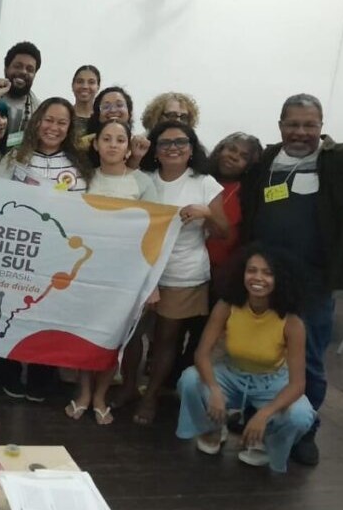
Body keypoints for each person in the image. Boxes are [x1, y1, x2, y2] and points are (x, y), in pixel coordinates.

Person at [240, 94, 343, 466]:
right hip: (263, 282)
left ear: (321, 127)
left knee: (310, 360)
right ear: (280, 126)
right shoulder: (264, 160)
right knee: (255, 353)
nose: (300, 132)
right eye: (293, 124)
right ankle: (254, 419)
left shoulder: (342, 159)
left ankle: (305, 431)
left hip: (315, 282)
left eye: (309, 125)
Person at [176, 244, 315, 473]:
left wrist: (264, 414)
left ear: (280, 278)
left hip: (272, 380)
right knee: (189, 380)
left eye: (268, 273)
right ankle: (213, 426)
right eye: (252, 270)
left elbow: (298, 384)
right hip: (231, 373)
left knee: (300, 416)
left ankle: (265, 442)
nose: (258, 278)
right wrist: (215, 390)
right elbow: (202, 353)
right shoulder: (227, 305)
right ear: (242, 273)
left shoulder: (292, 322)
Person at [0, 96, 92, 400]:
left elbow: (88, 212)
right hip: (17, 253)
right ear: (37, 121)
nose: (54, 127)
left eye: (62, 122)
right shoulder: (14, 158)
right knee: (9, 309)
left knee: (48, 314)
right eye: (49, 119)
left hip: (56, 257)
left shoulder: (79, 166)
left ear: (70, 128)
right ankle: (7, 373)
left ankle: (40, 376)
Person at [131, 121, 228, 425]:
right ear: (155, 150)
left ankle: (151, 397)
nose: (173, 147)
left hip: (183, 275)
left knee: (165, 339)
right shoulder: (143, 179)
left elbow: (224, 231)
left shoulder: (205, 182)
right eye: (165, 143)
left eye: (181, 142)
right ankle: (128, 388)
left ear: (191, 148)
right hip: (141, 272)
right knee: (131, 335)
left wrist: (207, 213)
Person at [65, 120, 158, 424]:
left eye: (120, 140)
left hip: (126, 273)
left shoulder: (143, 183)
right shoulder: (84, 177)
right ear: (96, 144)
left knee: (113, 336)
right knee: (85, 332)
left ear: (129, 147)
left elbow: (155, 231)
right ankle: (84, 391)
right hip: (87, 268)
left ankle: (102, 393)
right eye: (107, 138)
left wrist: (151, 282)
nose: (113, 145)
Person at [207, 132, 262, 295]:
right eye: (231, 149)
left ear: (249, 165)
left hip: (225, 276)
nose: (234, 157)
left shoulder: (249, 194)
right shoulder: (198, 179)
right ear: (220, 149)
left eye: (243, 156)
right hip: (186, 269)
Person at [82, 86, 149, 167]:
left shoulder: (140, 145)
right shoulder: (83, 145)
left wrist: (135, 159)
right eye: (106, 107)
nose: (113, 110)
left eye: (119, 105)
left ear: (129, 112)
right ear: (98, 115)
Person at [71, 65, 101, 133]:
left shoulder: (103, 119)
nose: (85, 86)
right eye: (80, 81)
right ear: (72, 86)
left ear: (98, 87)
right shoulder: (65, 115)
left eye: (91, 82)